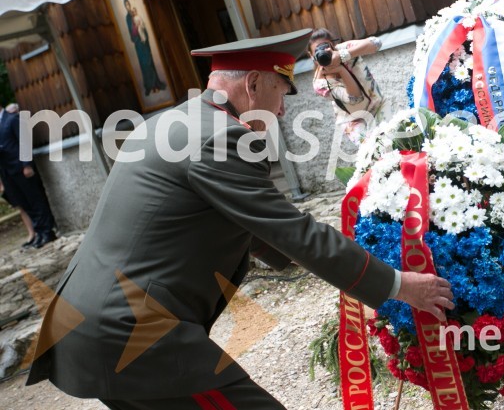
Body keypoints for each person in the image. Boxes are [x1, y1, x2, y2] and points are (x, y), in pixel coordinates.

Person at [27, 30, 454, 409]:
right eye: (282, 93)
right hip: (133, 334)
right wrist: (397, 285)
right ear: (252, 85)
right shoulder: (221, 136)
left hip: (88, 324)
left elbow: (245, 223)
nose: (284, 112)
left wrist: (342, 259)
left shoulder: (172, 121)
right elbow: (293, 232)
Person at [309, 28, 390, 143]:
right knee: (376, 151)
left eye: (326, 47)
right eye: (317, 52)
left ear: (333, 44)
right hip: (354, 120)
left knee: (398, 138)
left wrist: (345, 55)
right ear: (311, 55)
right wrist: (341, 70)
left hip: (378, 104)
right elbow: (355, 98)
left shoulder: (343, 49)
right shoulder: (320, 83)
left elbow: (376, 43)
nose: (323, 53)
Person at [0, 103, 58, 249]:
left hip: (20, 167)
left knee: (35, 200)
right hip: (6, 171)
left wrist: (27, 164)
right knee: (24, 202)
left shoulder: (12, 119)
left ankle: (47, 232)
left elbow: (24, 141)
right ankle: (38, 232)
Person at [123, 0, 167, 96]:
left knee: (150, 62)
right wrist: (135, 29)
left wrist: (144, 34)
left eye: (128, 4)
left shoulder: (135, 13)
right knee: (144, 65)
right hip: (138, 44)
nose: (128, 6)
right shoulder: (128, 17)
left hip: (144, 42)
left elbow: (143, 26)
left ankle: (156, 83)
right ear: (125, 7)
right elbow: (132, 33)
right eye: (126, 5)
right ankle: (149, 86)